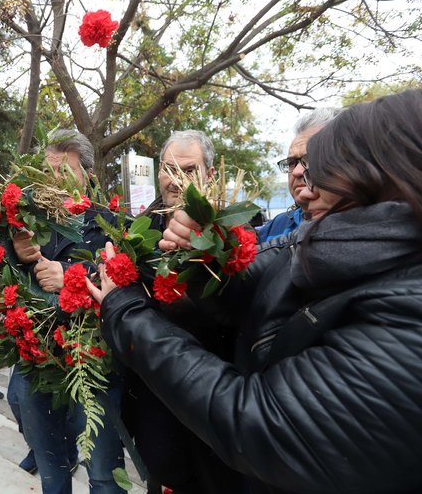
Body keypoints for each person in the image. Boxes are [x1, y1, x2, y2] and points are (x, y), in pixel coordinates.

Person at [91, 89, 422, 493]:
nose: (306, 183)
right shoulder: (318, 243)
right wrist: (202, 261)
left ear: (385, 179)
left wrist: (124, 311)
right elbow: (245, 285)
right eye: (298, 165)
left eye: (325, 168)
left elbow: (255, 420)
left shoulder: (406, 313)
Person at [9, 130, 125, 494]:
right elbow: (0, 279)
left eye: (64, 172)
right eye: (47, 171)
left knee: (104, 472)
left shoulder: (110, 223)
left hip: (93, 366)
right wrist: (14, 249)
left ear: (88, 175)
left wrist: (76, 277)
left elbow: (127, 280)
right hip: (37, 362)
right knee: (50, 468)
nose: (52, 181)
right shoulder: (27, 224)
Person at [130, 130, 243, 493]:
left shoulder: (235, 234)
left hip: (216, 395)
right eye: (167, 168)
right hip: (154, 398)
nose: (176, 179)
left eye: (189, 169)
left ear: (210, 175)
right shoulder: (135, 230)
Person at [258, 107, 342, 243]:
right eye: (291, 162)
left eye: (309, 160)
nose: (296, 172)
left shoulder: (367, 228)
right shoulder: (275, 227)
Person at [141, 130, 216, 227]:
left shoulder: (228, 235)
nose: (176, 182)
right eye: (170, 170)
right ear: (160, 170)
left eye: (189, 172)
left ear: (209, 175)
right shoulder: (131, 231)